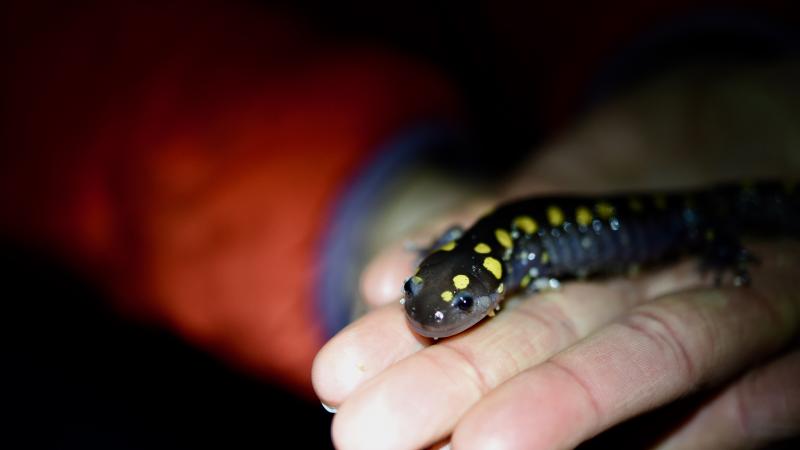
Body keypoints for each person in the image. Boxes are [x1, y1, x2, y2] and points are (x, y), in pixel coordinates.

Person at [312, 61, 800, 449]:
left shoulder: (501, 260)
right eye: (413, 287)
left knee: (703, 223)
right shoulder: (486, 256)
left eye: (461, 305)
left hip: (668, 219)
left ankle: (730, 241)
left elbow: (481, 248)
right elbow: (464, 244)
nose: (427, 314)